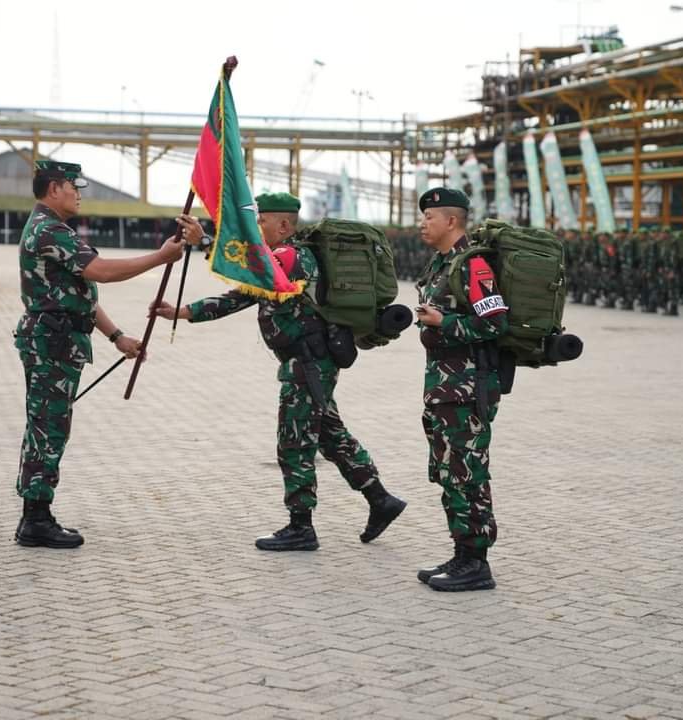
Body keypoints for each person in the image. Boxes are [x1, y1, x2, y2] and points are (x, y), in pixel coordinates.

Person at [153, 192, 407, 551]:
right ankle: (381, 500)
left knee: (294, 442)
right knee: (329, 435)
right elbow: (238, 296)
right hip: (306, 363)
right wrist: (180, 312)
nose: (258, 227)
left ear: (284, 225)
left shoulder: (289, 256)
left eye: (262, 221)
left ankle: (301, 526)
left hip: (307, 363)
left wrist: (205, 242)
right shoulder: (279, 260)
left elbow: (250, 271)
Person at [12, 160, 184, 548]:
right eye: (75, 187)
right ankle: (35, 519)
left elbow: (78, 293)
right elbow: (101, 272)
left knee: (49, 424)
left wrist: (117, 337)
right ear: (55, 188)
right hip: (51, 343)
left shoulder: (50, 228)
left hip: (56, 341)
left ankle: (36, 513)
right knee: (48, 427)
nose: (78, 194)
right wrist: (161, 257)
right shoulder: (49, 230)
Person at [413, 188, 508, 592]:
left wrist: (444, 324)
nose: (422, 223)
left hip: (467, 388)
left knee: (468, 473)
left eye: (429, 217)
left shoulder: (474, 266)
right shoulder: (442, 263)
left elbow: (495, 323)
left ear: (451, 221)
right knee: (451, 473)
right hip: (445, 386)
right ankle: (462, 552)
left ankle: (476, 562)